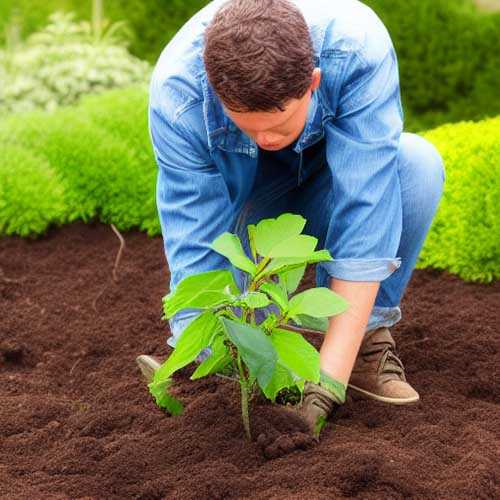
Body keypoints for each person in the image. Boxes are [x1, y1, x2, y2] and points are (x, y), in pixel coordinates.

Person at [137, 0, 445, 436]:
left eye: (278, 126)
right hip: (245, 208)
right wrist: (203, 354)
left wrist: (326, 385)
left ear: (312, 82)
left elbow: (366, 208)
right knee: (237, 347)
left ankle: (360, 347)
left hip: (329, 182)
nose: (264, 139)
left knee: (416, 166)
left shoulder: (355, 49)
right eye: (246, 127)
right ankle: (217, 368)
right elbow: (195, 241)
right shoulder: (179, 91)